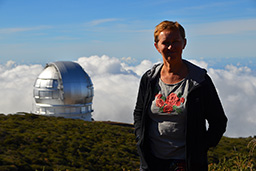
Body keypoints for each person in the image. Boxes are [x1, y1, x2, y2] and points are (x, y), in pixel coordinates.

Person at [133, 20, 228, 171]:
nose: (171, 47)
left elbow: (218, 120)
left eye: (176, 41)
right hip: (152, 162)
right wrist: (140, 138)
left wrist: (201, 147)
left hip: (187, 163)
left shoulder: (199, 80)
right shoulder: (149, 79)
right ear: (157, 46)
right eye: (165, 42)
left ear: (184, 43)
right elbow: (139, 112)